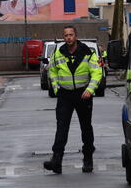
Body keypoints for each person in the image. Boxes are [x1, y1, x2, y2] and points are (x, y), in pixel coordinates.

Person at [44, 25, 103, 174]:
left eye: (71, 35)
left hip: (83, 95)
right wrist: (56, 88)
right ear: (63, 37)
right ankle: (56, 160)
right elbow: (52, 71)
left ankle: (88, 159)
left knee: (86, 128)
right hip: (65, 95)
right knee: (61, 128)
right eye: (66, 35)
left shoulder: (87, 53)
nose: (68, 37)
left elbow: (97, 72)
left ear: (76, 36)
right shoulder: (58, 53)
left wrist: (90, 90)